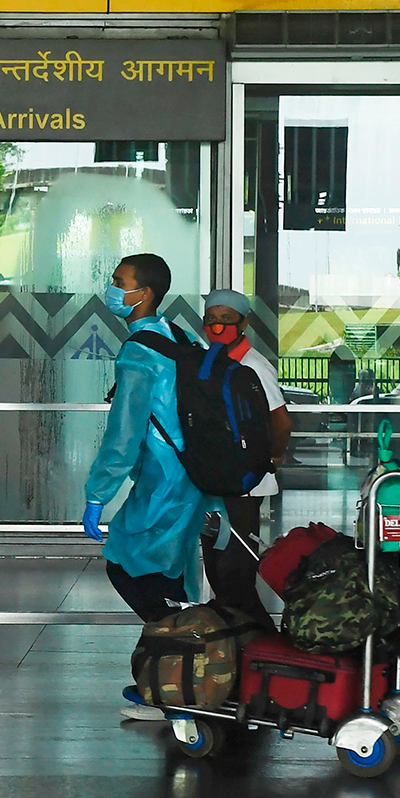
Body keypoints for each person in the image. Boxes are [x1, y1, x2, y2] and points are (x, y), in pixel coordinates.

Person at [82, 253, 208, 721]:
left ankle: (180, 686)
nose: (112, 289)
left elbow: (124, 432)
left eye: (119, 282)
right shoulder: (179, 337)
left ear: (145, 293)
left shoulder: (138, 352)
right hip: (191, 480)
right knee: (170, 580)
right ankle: (161, 680)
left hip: (162, 485)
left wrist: (99, 492)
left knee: (129, 570)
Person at [197, 289, 292, 633]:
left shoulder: (253, 366)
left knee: (235, 574)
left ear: (244, 323)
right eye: (212, 321)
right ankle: (236, 648)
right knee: (217, 568)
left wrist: (272, 457)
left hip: (246, 484)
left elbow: (281, 421)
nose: (218, 327)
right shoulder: (209, 362)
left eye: (227, 321)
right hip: (214, 483)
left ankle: (263, 646)